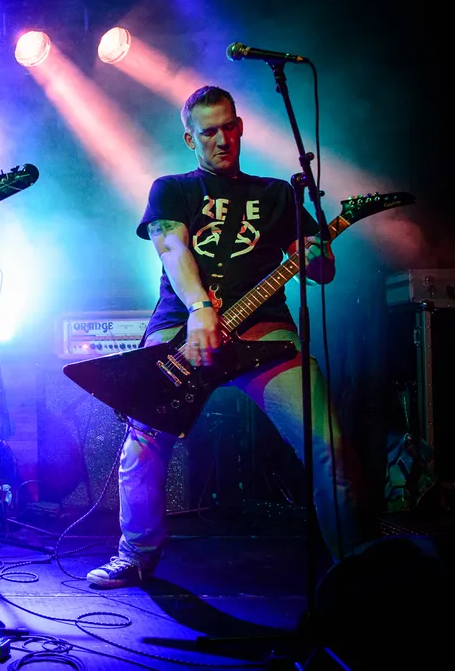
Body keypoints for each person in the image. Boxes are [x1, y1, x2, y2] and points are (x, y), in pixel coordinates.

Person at [87, 84, 362, 588]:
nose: (221, 139)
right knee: (144, 445)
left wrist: (319, 256)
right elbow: (172, 248)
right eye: (209, 131)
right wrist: (200, 308)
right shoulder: (172, 188)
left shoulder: (278, 194)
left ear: (240, 128)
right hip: (183, 327)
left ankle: (355, 568)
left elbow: (320, 271)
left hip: (265, 332)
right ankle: (136, 554)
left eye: (229, 127)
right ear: (190, 138)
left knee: (329, 444)